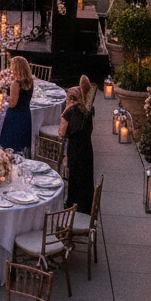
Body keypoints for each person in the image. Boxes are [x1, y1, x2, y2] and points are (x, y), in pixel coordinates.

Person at [59, 75, 96, 212]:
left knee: (74, 178)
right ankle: (85, 207)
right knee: (85, 177)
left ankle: (73, 207)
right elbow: (92, 128)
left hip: (75, 149)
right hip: (87, 148)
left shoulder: (71, 112)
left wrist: (67, 107)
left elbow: (61, 132)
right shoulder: (89, 109)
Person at [0, 55, 34, 154]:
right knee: (22, 144)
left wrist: (4, 96)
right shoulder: (30, 81)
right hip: (26, 114)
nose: (11, 68)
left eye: (12, 66)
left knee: (11, 144)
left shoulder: (16, 83)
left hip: (15, 116)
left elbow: (12, 104)